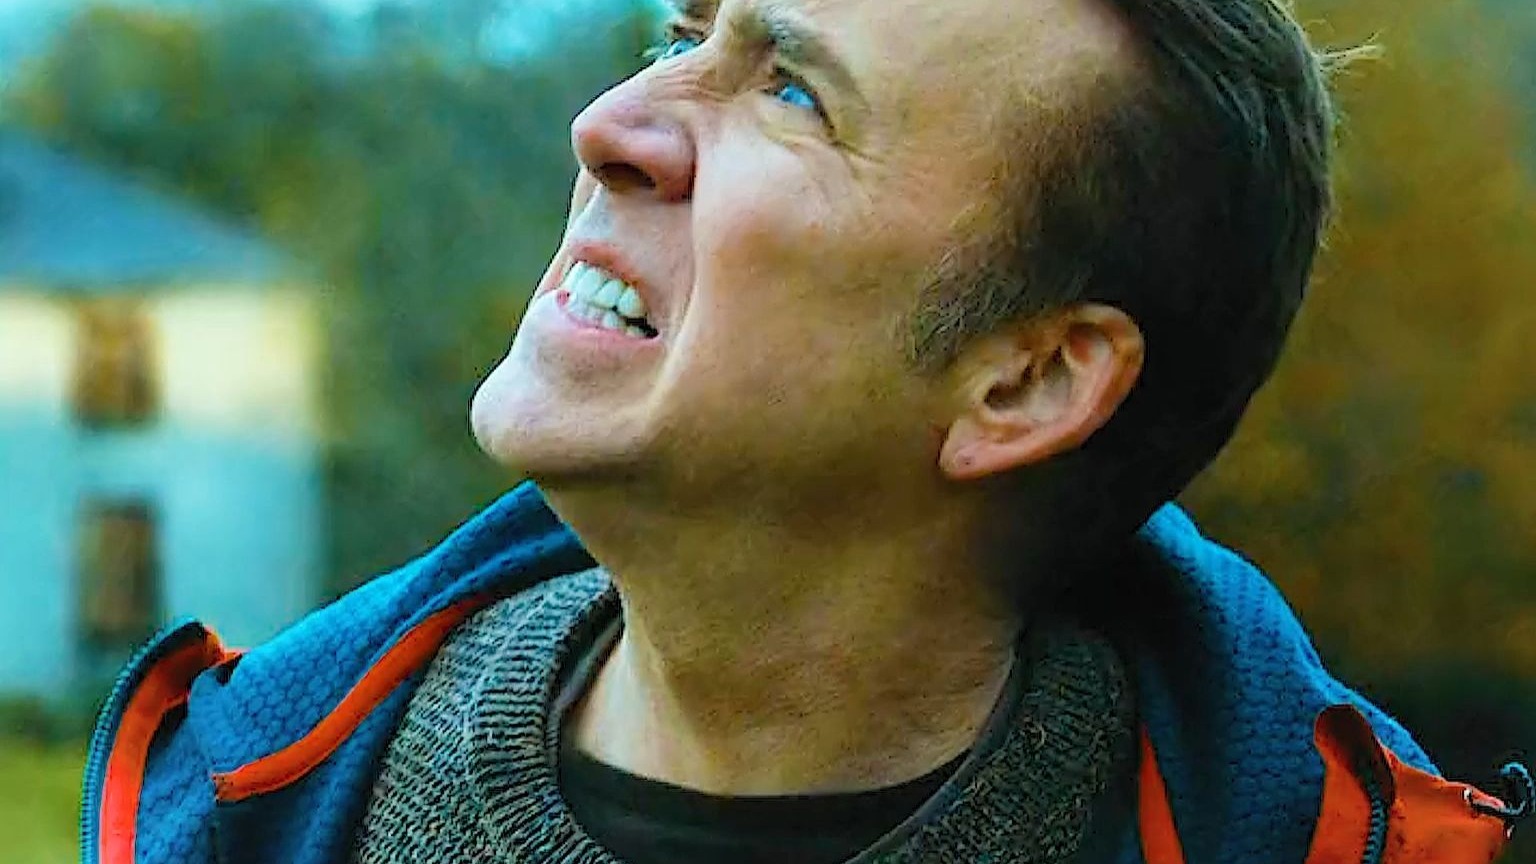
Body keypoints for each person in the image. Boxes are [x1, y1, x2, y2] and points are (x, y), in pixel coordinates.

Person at [83, 0, 1533, 861]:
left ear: (1026, 383)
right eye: (682, 36)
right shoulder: (239, 808)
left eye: (790, 92)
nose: (611, 124)